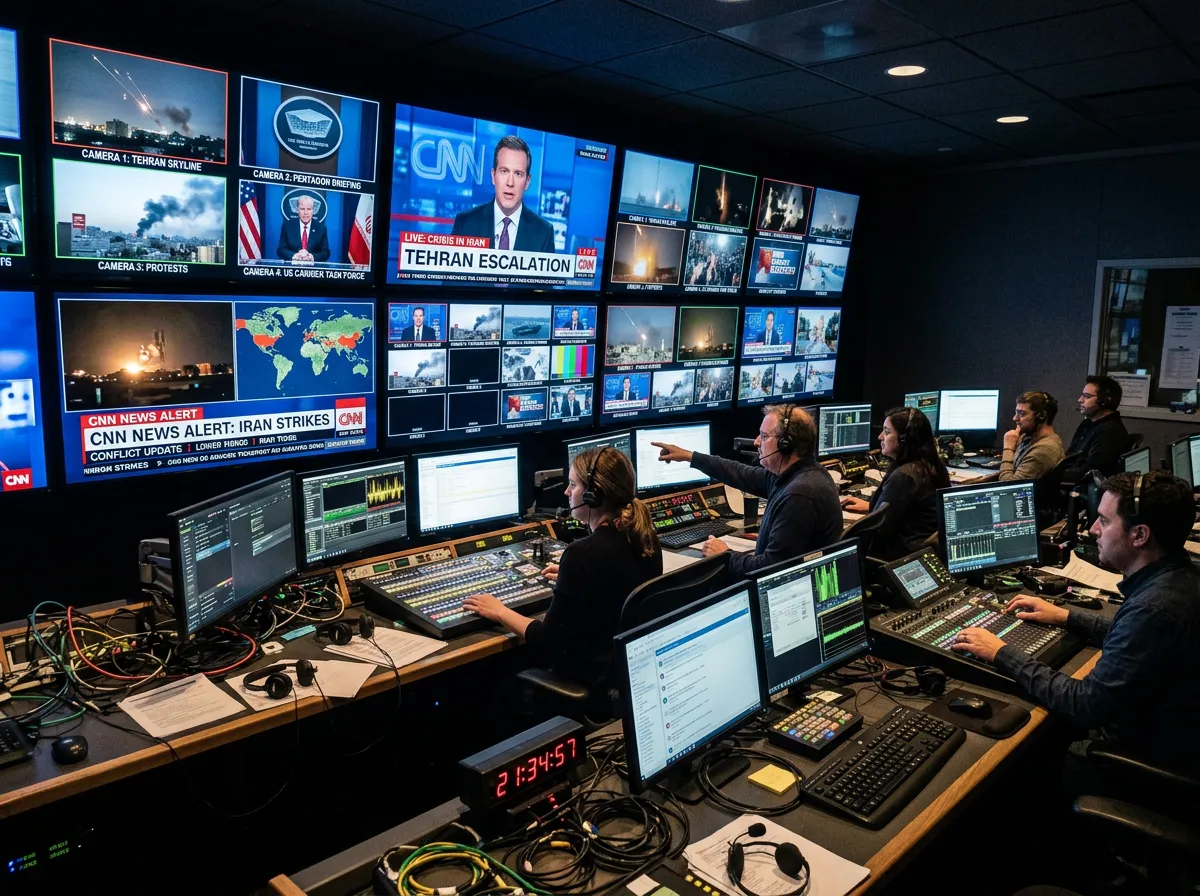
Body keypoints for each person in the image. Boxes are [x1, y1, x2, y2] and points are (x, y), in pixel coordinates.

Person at [951, 471, 1200, 777]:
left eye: (1105, 521)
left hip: (1140, 762)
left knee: (1015, 753)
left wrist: (1001, 652)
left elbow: (1083, 704)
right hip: (1176, 740)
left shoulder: (1153, 609)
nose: (1094, 529)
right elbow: (1137, 638)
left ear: (1140, 535)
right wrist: (1066, 616)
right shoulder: (1180, 579)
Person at [463, 447, 662, 708]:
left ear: (593, 496)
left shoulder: (583, 554)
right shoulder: (645, 537)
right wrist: (573, 579)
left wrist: (499, 611)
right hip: (628, 674)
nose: (567, 493)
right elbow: (611, 583)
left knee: (497, 689)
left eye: (572, 485)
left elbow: (548, 640)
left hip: (592, 682)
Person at [652, 404, 841, 576]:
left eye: (765, 436)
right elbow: (740, 473)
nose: (757, 442)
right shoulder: (804, 473)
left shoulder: (799, 495)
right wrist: (689, 457)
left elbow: (771, 570)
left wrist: (725, 555)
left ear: (786, 445)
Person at [840, 407, 949, 560]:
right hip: (919, 553)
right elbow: (906, 511)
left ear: (905, 438)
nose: (880, 437)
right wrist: (872, 507)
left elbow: (877, 533)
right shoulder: (930, 466)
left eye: (886, 431)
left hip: (898, 557)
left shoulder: (905, 476)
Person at [450, 136, 555, 253]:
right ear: (493, 176)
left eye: (518, 174)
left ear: (527, 182)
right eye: (504, 171)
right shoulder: (466, 223)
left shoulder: (544, 232)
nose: (510, 183)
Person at [1062, 375, 1129, 481]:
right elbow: (1069, 456)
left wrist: (1050, 476)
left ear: (1104, 401)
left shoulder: (1109, 432)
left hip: (1079, 486)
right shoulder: (1088, 423)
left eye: (1087, 396)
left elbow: (1090, 473)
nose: (1080, 400)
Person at [998, 390, 1065, 481]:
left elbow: (1008, 485)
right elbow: (1013, 470)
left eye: (1021, 413)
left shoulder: (1044, 449)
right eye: (1016, 412)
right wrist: (979, 480)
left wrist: (1008, 448)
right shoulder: (1029, 437)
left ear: (1041, 416)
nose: (1015, 418)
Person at [277, 196, 330, 263]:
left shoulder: (321, 228)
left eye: (309, 209)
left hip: (313, 270)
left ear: (313, 210)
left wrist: (312, 257)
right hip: (292, 269)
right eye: (302, 209)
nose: (305, 213)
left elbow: (326, 252)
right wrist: (294, 256)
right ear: (297, 210)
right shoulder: (288, 226)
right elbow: (281, 250)